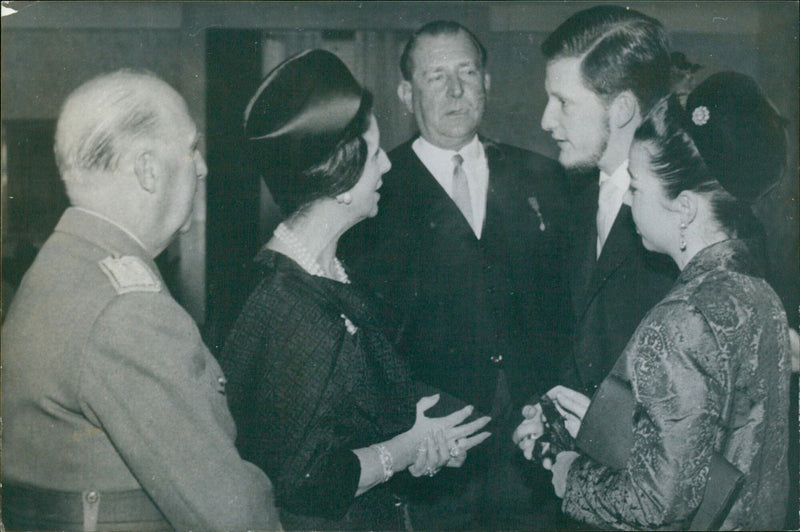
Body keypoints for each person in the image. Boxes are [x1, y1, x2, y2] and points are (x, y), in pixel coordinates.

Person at [218, 49, 491, 532]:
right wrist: (406, 449)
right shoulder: (289, 304)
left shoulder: (329, 271)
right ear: (341, 175)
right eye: (374, 152)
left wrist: (423, 437)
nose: (387, 165)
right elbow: (302, 479)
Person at [1, 70, 281, 531]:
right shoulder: (127, 310)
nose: (203, 166)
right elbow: (232, 515)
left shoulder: (64, 266)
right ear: (148, 168)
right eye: (191, 147)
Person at [515, 71, 792, 530]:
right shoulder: (757, 294)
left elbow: (653, 506)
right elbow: (715, 451)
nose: (627, 203)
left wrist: (563, 466)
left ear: (683, 210)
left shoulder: (682, 317)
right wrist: (606, 425)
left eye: (637, 188)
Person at [339, 20, 572, 530]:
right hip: (435, 449)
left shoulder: (543, 177)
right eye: (435, 76)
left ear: (487, 83)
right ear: (406, 93)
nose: (455, 89)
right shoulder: (375, 194)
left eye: (467, 72)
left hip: (533, 447)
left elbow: (566, 305)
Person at [539, 5, 679, 397]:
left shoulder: (687, 215)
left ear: (621, 110)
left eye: (563, 102)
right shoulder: (575, 199)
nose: (546, 121)